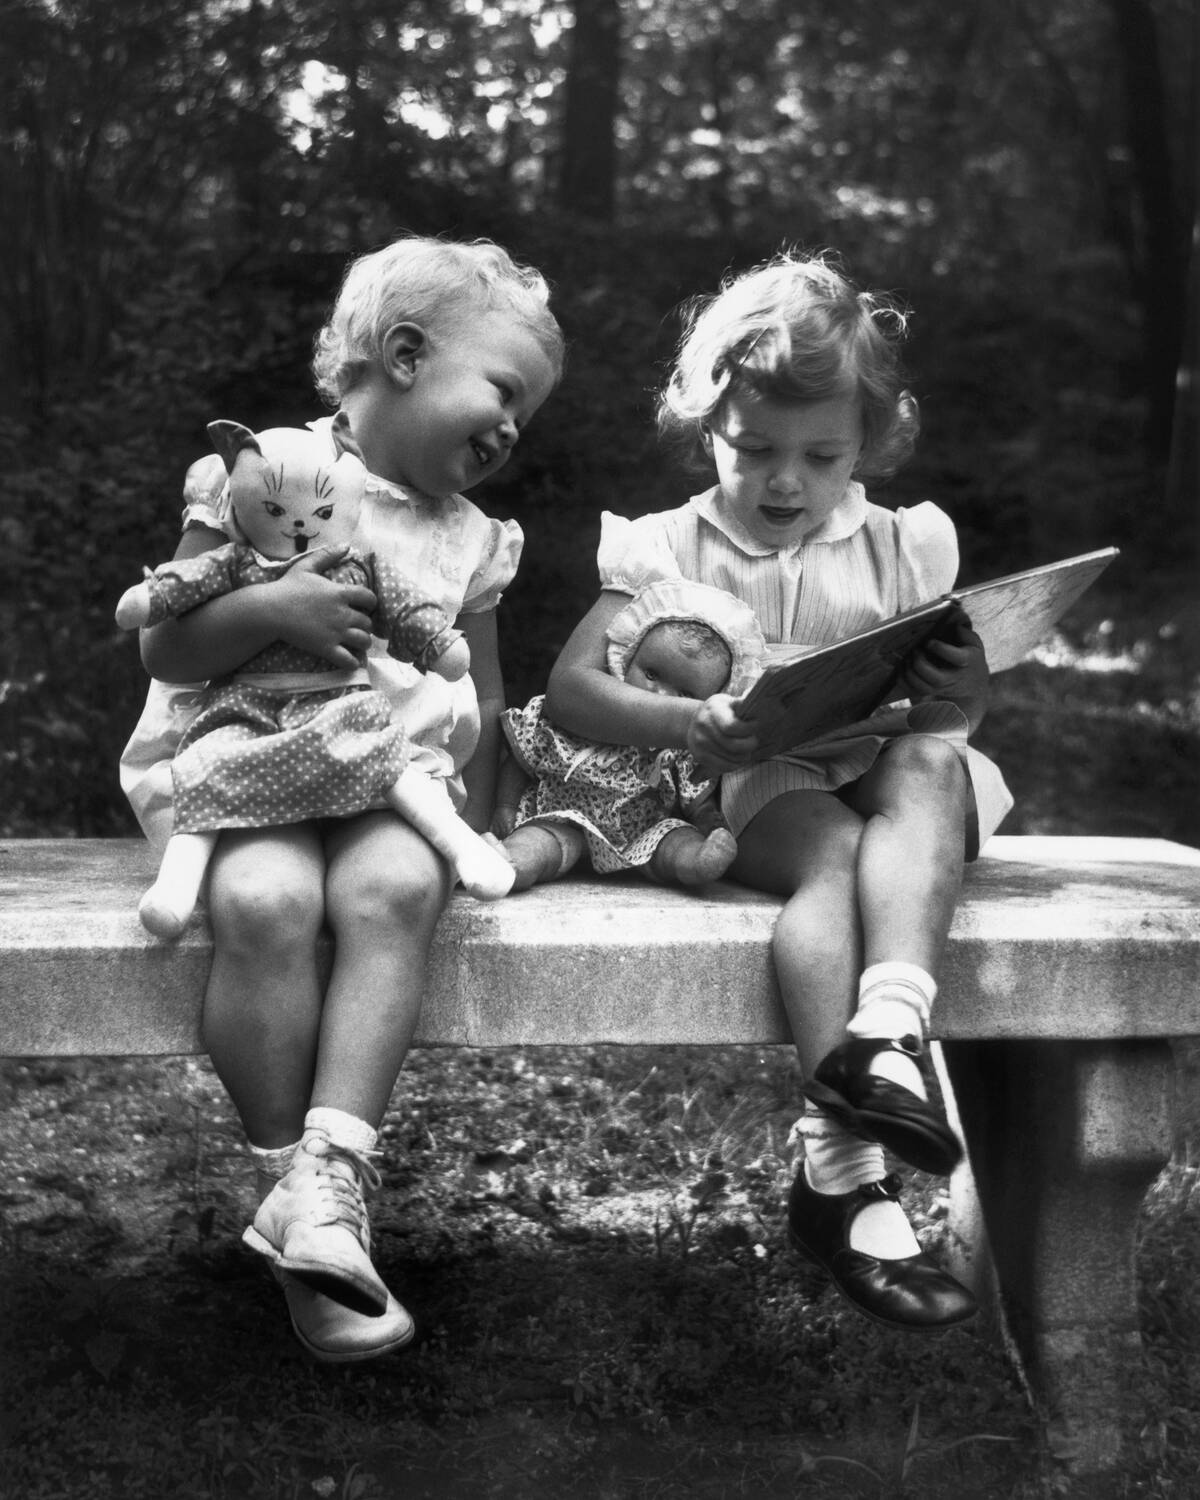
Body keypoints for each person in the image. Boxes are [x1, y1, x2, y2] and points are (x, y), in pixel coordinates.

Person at [543, 250, 1012, 1331]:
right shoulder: (665, 548)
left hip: (896, 777)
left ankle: (891, 1031)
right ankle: (843, 1167)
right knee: (836, 855)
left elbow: (945, 724)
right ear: (708, 426)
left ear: (872, 441)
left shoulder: (902, 545)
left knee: (934, 764)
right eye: (755, 449)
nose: (787, 481)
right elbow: (572, 689)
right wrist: (685, 718)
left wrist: (962, 686)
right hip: (762, 784)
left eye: (823, 453)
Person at [119, 235, 564, 1361]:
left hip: (384, 779)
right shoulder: (263, 474)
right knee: (266, 908)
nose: (514, 428)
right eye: (503, 392)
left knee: (397, 885)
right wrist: (276, 613)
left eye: (530, 413)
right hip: (241, 766)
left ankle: (331, 1180)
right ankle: (290, 1195)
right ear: (406, 355)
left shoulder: (473, 537)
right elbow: (167, 649)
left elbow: (482, 683)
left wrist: (488, 796)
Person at [494, 578, 765, 889]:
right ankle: (510, 863)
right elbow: (523, 756)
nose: (660, 694)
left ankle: (697, 861)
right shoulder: (591, 715)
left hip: (641, 835)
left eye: (685, 693)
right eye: (651, 674)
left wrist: (708, 821)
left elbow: (698, 800)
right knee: (536, 843)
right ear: (627, 657)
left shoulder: (680, 748)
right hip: (562, 818)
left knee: (674, 837)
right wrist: (504, 804)